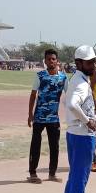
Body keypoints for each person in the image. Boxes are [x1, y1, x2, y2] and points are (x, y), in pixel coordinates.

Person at [59, 45, 96, 193]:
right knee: (80, 180)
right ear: (78, 63)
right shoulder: (81, 83)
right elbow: (73, 104)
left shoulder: (75, 79)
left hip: (74, 134)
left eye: (94, 61)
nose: (93, 65)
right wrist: (88, 121)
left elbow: (66, 102)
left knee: (74, 177)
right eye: (89, 62)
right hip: (83, 136)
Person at [27, 48, 68, 184]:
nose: (51, 61)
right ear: (45, 61)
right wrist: (30, 114)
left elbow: (69, 95)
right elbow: (33, 94)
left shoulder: (63, 77)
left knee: (54, 146)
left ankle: (52, 174)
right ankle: (33, 173)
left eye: (53, 59)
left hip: (54, 118)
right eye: (48, 59)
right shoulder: (40, 76)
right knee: (35, 145)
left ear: (57, 61)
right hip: (39, 117)